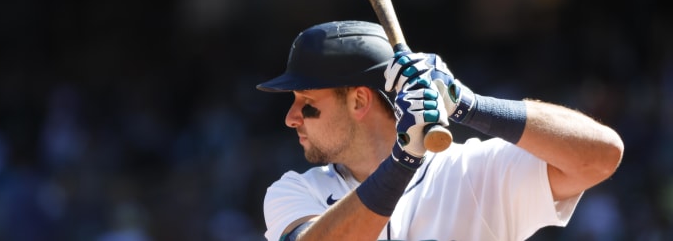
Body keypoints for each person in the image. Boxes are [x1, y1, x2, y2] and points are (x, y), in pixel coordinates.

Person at [256, 20, 624, 241]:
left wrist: (469, 105)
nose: (291, 117)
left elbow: (601, 156)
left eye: (307, 101)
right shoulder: (295, 191)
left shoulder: (474, 171)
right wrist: (403, 159)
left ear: (358, 102)